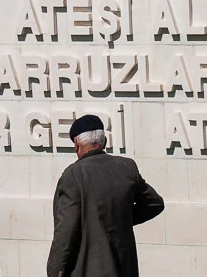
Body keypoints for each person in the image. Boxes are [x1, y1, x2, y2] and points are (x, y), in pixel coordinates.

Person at [47, 115, 165, 277]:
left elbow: (65, 232)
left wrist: (55, 271)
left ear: (77, 144)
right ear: (104, 142)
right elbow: (154, 204)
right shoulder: (126, 168)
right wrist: (120, 217)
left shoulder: (73, 176)